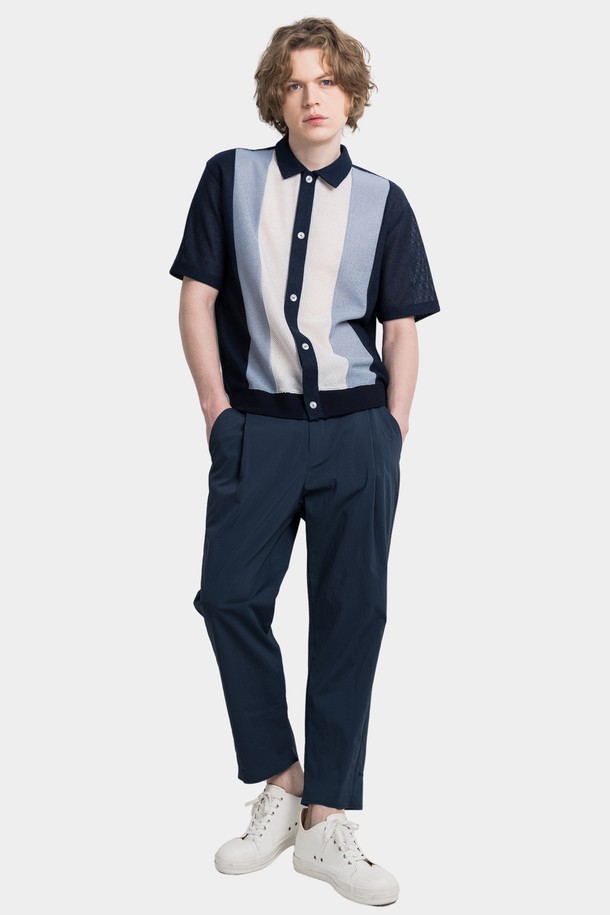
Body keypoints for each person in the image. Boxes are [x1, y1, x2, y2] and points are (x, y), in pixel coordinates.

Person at [169, 16, 440, 907]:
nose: (311, 96)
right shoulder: (230, 177)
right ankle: (283, 783)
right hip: (258, 428)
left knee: (352, 614)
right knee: (228, 597)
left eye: (327, 81)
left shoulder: (386, 202)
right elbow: (197, 300)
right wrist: (217, 412)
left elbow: (401, 327)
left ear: (352, 96)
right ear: (275, 97)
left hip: (358, 432)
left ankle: (327, 822)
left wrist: (393, 432)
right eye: (294, 82)